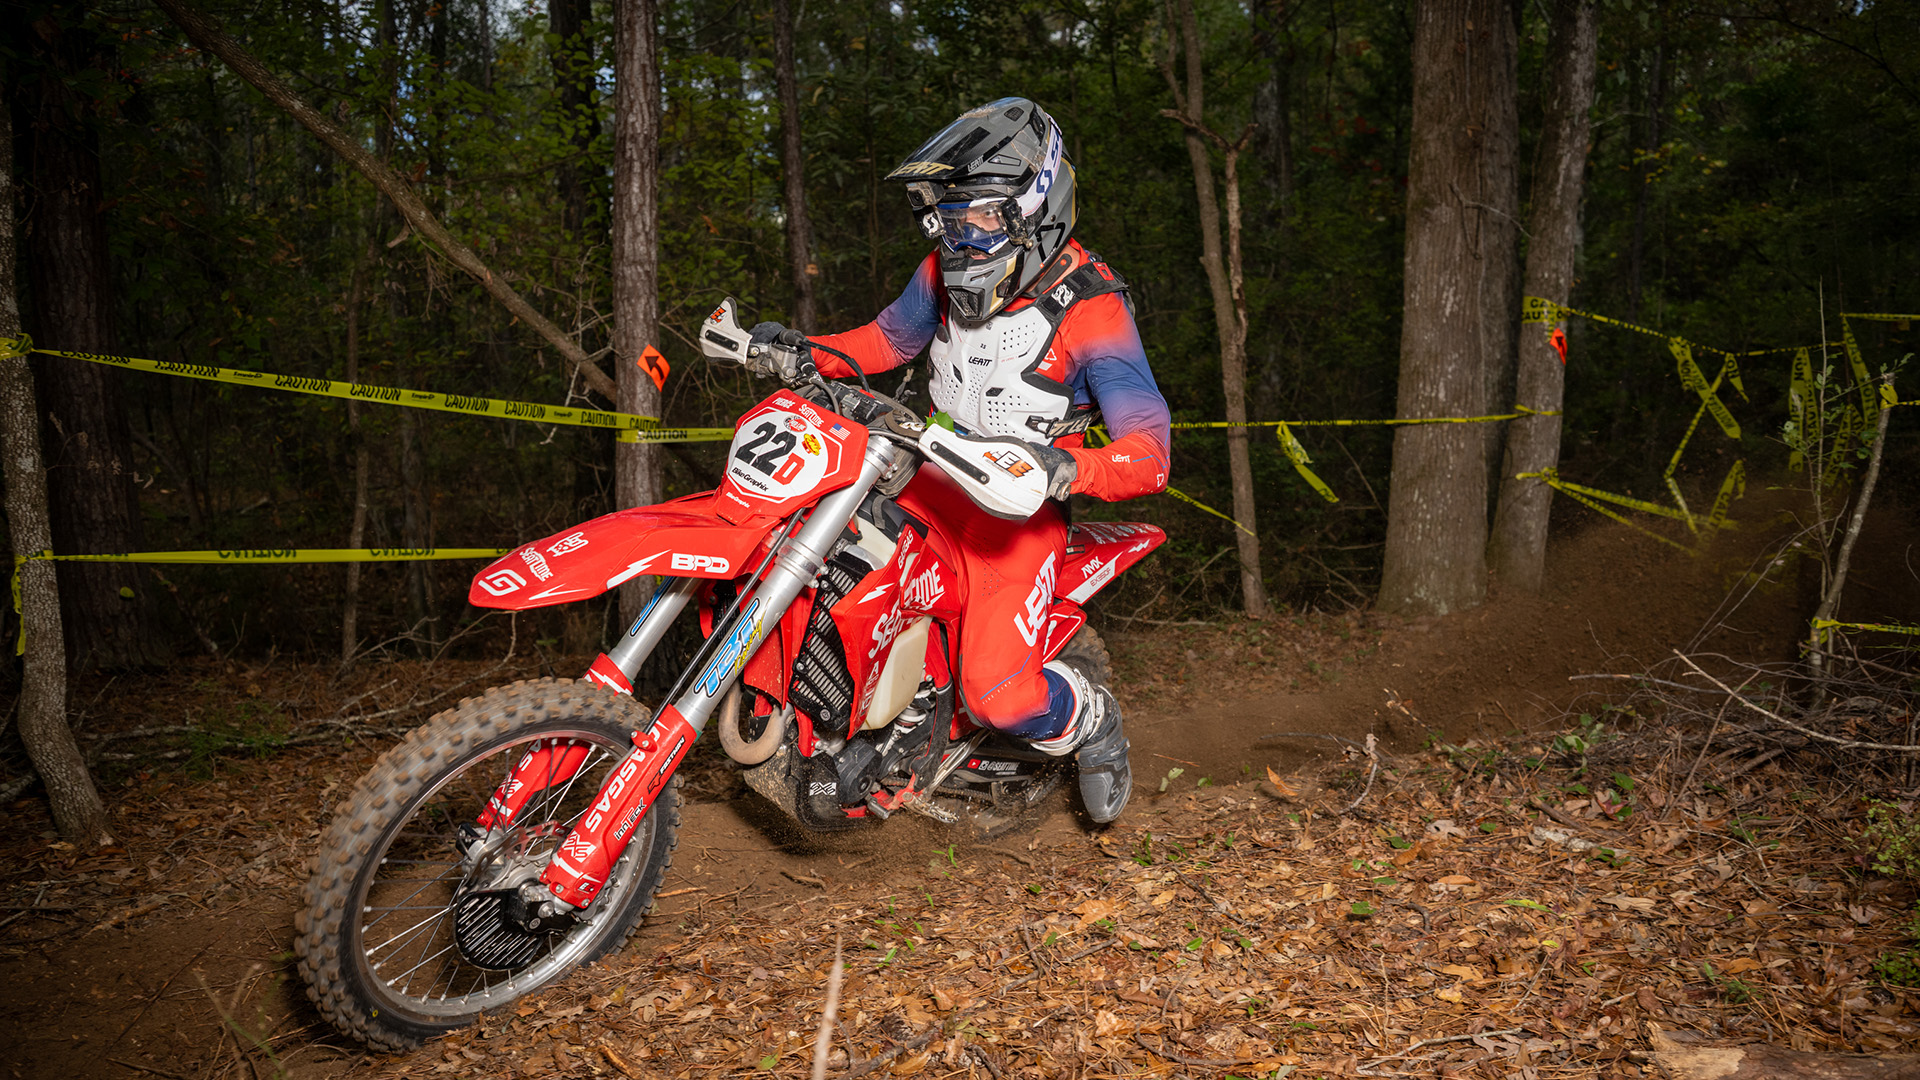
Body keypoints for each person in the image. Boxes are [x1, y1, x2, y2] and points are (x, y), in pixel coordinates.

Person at [744, 97, 1170, 823]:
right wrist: (798, 352)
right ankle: (852, 725)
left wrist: (1065, 468)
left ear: (1039, 202)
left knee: (999, 695)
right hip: (925, 476)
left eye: (984, 216)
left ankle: (1090, 717)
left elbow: (1151, 453)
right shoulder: (944, 270)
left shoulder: (1092, 307)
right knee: (810, 561)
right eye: (950, 216)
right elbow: (888, 341)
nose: (962, 236)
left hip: (1018, 515)